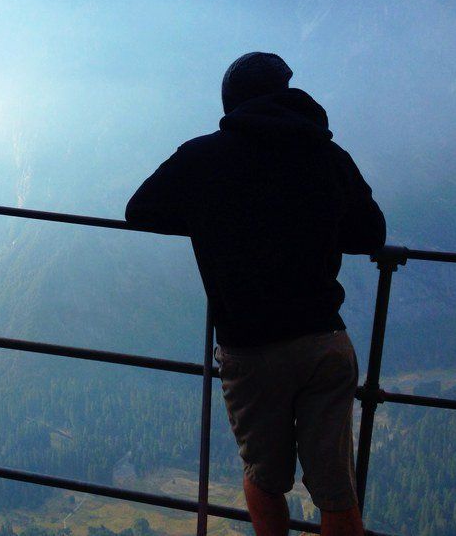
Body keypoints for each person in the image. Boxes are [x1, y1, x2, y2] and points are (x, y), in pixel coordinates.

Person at [125, 52, 385, 536]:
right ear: (288, 94)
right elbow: (371, 234)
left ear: (231, 103)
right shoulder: (328, 155)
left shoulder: (202, 157)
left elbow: (140, 210)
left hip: (251, 349)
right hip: (324, 341)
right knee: (336, 489)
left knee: (264, 481)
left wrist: (212, 218)